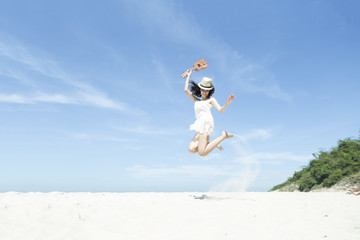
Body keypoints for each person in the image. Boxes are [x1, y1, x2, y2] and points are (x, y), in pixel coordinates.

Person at [184, 69, 235, 156]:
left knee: (202, 153)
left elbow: (220, 110)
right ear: (200, 89)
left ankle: (224, 135)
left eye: (207, 90)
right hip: (199, 125)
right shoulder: (197, 101)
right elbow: (186, 90)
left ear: (209, 91)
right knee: (191, 149)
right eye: (203, 89)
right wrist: (188, 75)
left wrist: (227, 103)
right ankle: (212, 144)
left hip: (206, 124)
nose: (204, 92)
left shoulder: (211, 100)